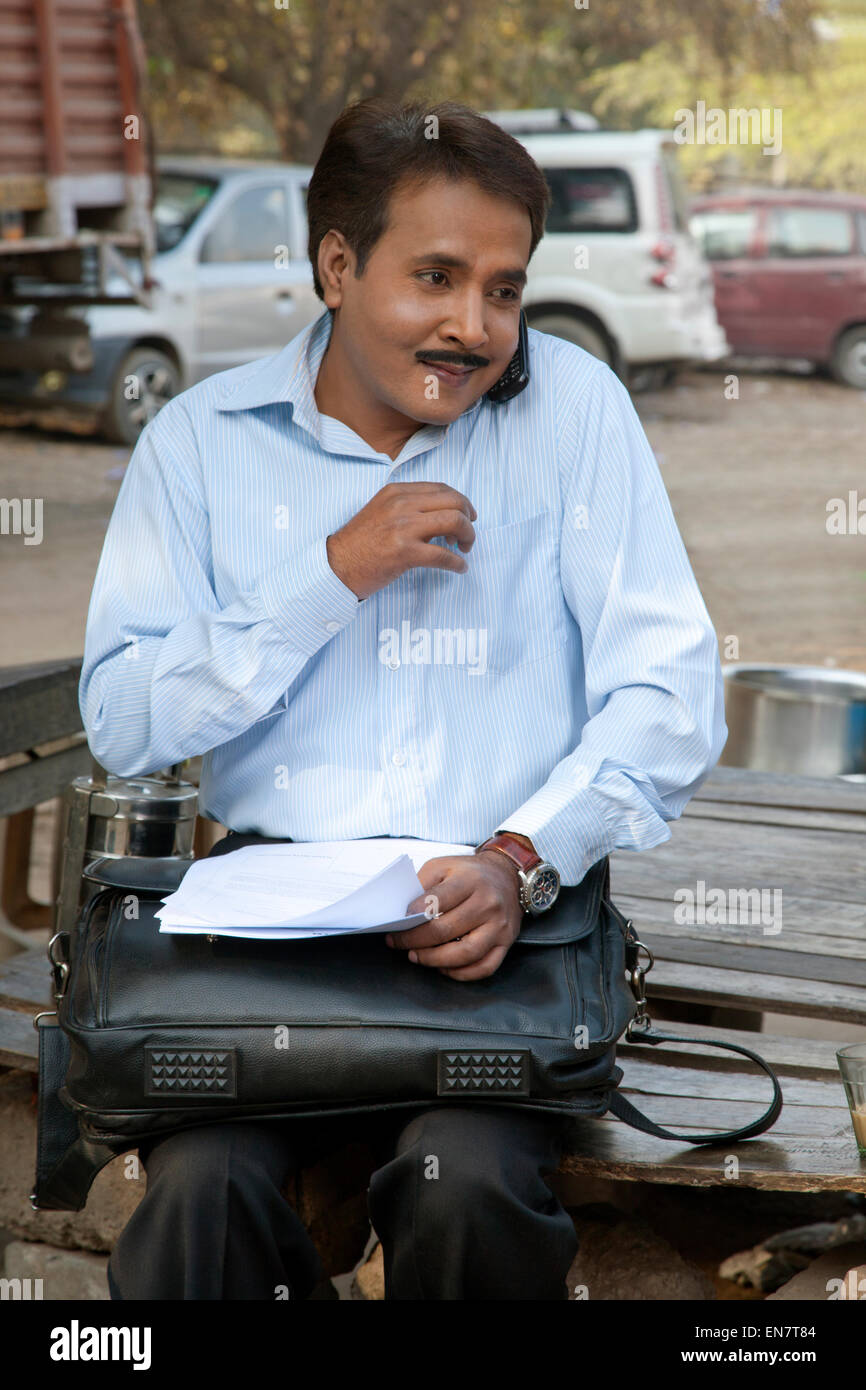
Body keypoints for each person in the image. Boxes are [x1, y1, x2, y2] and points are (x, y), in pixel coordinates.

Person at [79, 97, 727, 1300]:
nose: (471, 327)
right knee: (197, 1203)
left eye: (502, 288)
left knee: (463, 1180)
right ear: (335, 264)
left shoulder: (572, 411)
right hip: (262, 955)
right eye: (433, 276)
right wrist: (328, 574)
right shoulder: (199, 445)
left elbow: (670, 692)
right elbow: (122, 717)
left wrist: (520, 856)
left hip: (501, 940)